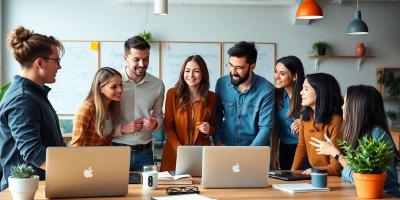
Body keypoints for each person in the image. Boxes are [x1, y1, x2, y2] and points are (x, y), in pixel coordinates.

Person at [0, 26, 66, 190]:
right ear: (40, 62)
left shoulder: (32, 94)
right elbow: (33, 152)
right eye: (56, 61)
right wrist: (71, 170)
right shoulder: (22, 99)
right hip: (25, 191)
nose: (59, 67)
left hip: (38, 186)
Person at [309, 85, 400, 197]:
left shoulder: (376, 135)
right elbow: (352, 174)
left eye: (345, 102)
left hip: (386, 196)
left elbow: (362, 179)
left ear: (356, 107)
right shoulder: (361, 133)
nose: (342, 107)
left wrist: (335, 153)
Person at [112, 36, 165, 171]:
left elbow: (159, 116)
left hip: (145, 153)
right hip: (116, 151)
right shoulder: (113, 84)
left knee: (147, 192)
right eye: (136, 59)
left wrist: (155, 124)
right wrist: (123, 128)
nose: (142, 64)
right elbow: (102, 121)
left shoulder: (157, 85)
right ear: (125, 58)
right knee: (115, 191)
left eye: (146, 59)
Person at [160, 55, 217, 171]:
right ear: (182, 73)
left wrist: (208, 129)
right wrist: (179, 149)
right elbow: (168, 127)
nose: (190, 75)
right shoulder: (172, 94)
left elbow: (214, 127)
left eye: (196, 71)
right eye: (187, 71)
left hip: (201, 153)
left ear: (203, 74)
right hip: (175, 152)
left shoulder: (212, 97)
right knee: (171, 187)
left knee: (201, 187)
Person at [215, 41, 275, 146]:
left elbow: (266, 127)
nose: (232, 72)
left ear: (252, 67)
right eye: (230, 65)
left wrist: (249, 152)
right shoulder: (221, 84)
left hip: (255, 149)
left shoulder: (266, 89)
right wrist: (218, 142)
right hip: (226, 146)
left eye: (239, 67)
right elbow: (217, 116)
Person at [291, 73, 343, 176]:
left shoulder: (337, 121)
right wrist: (292, 171)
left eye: (306, 89)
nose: (301, 93)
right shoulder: (304, 117)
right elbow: (301, 147)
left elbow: (337, 167)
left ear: (320, 92)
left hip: (331, 176)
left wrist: (316, 171)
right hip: (315, 174)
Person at [71, 67, 123, 146]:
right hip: (86, 157)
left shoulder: (112, 107)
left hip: (103, 156)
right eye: (113, 87)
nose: (120, 90)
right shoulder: (87, 108)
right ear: (100, 89)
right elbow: (76, 145)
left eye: (121, 85)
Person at [271, 55, 305, 170]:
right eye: (276, 71)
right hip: (284, 148)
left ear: (294, 76)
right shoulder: (276, 96)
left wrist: (303, 123)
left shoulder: (306, 95)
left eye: (282, 73)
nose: (276, 77)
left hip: (305, 149)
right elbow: (275, 128)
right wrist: (274, 152)